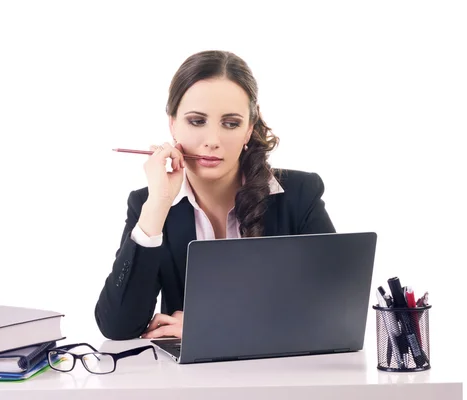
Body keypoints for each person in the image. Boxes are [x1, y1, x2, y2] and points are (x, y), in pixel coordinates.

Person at [95, 50, 335, 341]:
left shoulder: (299, 195)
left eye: (231, 123)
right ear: (172, 123)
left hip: (282, 376)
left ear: (249, 128)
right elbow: (118, 327)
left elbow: (332, 311)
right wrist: (157, 206)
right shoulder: (149, 205)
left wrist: (212, 327)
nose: (212, 141)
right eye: (197, 121)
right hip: (191, 382)